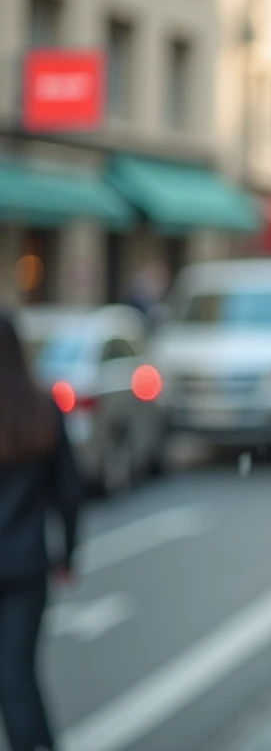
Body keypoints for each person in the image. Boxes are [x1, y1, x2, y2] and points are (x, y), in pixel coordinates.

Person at [0, 312, 82, 751]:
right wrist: (68, 553)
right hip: (26, 562)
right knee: (18, 675)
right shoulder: (41, 407)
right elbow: (68, 490)